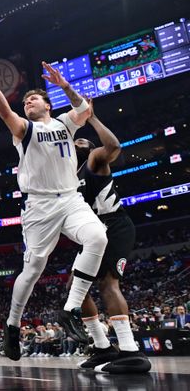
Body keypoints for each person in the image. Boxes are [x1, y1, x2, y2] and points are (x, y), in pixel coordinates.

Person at [0, 58, 106, 361]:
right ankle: (12, 324)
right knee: (33, 269)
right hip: (39, 206)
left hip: (70, 198)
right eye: (25, 100)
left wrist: (64, 85)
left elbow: (84, 111)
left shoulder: (65, 123)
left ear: (47, 104)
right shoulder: (24, 129)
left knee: (98, 238)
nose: (28, 102)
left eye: (34, 98)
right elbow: (4, 110)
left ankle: (70, 309)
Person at [73, 100, 151, 373]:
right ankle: (102, 347)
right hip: (92, 234)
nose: (80, 141)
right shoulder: (69, 177)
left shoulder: (94, 160)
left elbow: (115, 147)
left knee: (108, 283)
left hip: (115, 225)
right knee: (75, 287)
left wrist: (92, 120)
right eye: (76, 139)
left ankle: (130, 351)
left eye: (85, 139)